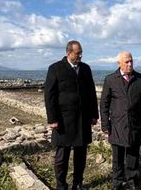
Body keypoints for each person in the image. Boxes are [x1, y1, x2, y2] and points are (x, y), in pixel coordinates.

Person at [44, 40, 99, 190]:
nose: (80, 55)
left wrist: (94, 114)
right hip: (63, 120)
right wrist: (53, 119)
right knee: (62, 156)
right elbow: (49, 95)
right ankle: (61, 185)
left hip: (83, 119)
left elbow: (91, 93)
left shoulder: (86, 69)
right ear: (68, 53)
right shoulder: (55, 68)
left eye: (81, 52)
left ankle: (78, 183)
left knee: (81, 155)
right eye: (77, 53)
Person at [100, 51, 141, 190]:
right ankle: (117, 182)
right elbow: (104, 104)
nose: (130, 64)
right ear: (119, 63)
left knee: (133, 155)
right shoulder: (110, 79)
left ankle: (133, 181)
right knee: (117, 157)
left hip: (135, 124)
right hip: (117, 125)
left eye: (131, 61)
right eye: (126, 62)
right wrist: (105, 124)